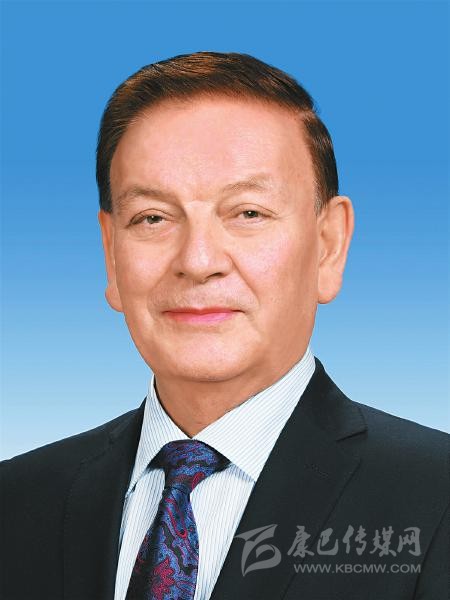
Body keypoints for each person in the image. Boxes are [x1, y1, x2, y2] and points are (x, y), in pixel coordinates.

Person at [1, 52, 448, 600]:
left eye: (248, 213)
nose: (198, 260)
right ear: (110, 252)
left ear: (329, 245)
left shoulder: (435, 495)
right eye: (152, 218)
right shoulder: (16, 501)